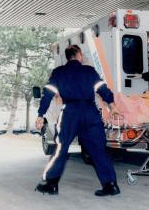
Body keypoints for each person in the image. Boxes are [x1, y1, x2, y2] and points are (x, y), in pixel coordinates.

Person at [35, 45, 120, 196]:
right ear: (79, 55)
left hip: (70, 113)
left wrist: (41, 114)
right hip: (90, 112)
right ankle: (111, 185)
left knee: (60, 148)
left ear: (68, 57)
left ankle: (51, 184)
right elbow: (103, 90)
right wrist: (112, 106)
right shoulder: (89, 71)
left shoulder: (59, 72)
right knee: (98, 149)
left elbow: (47, 94)